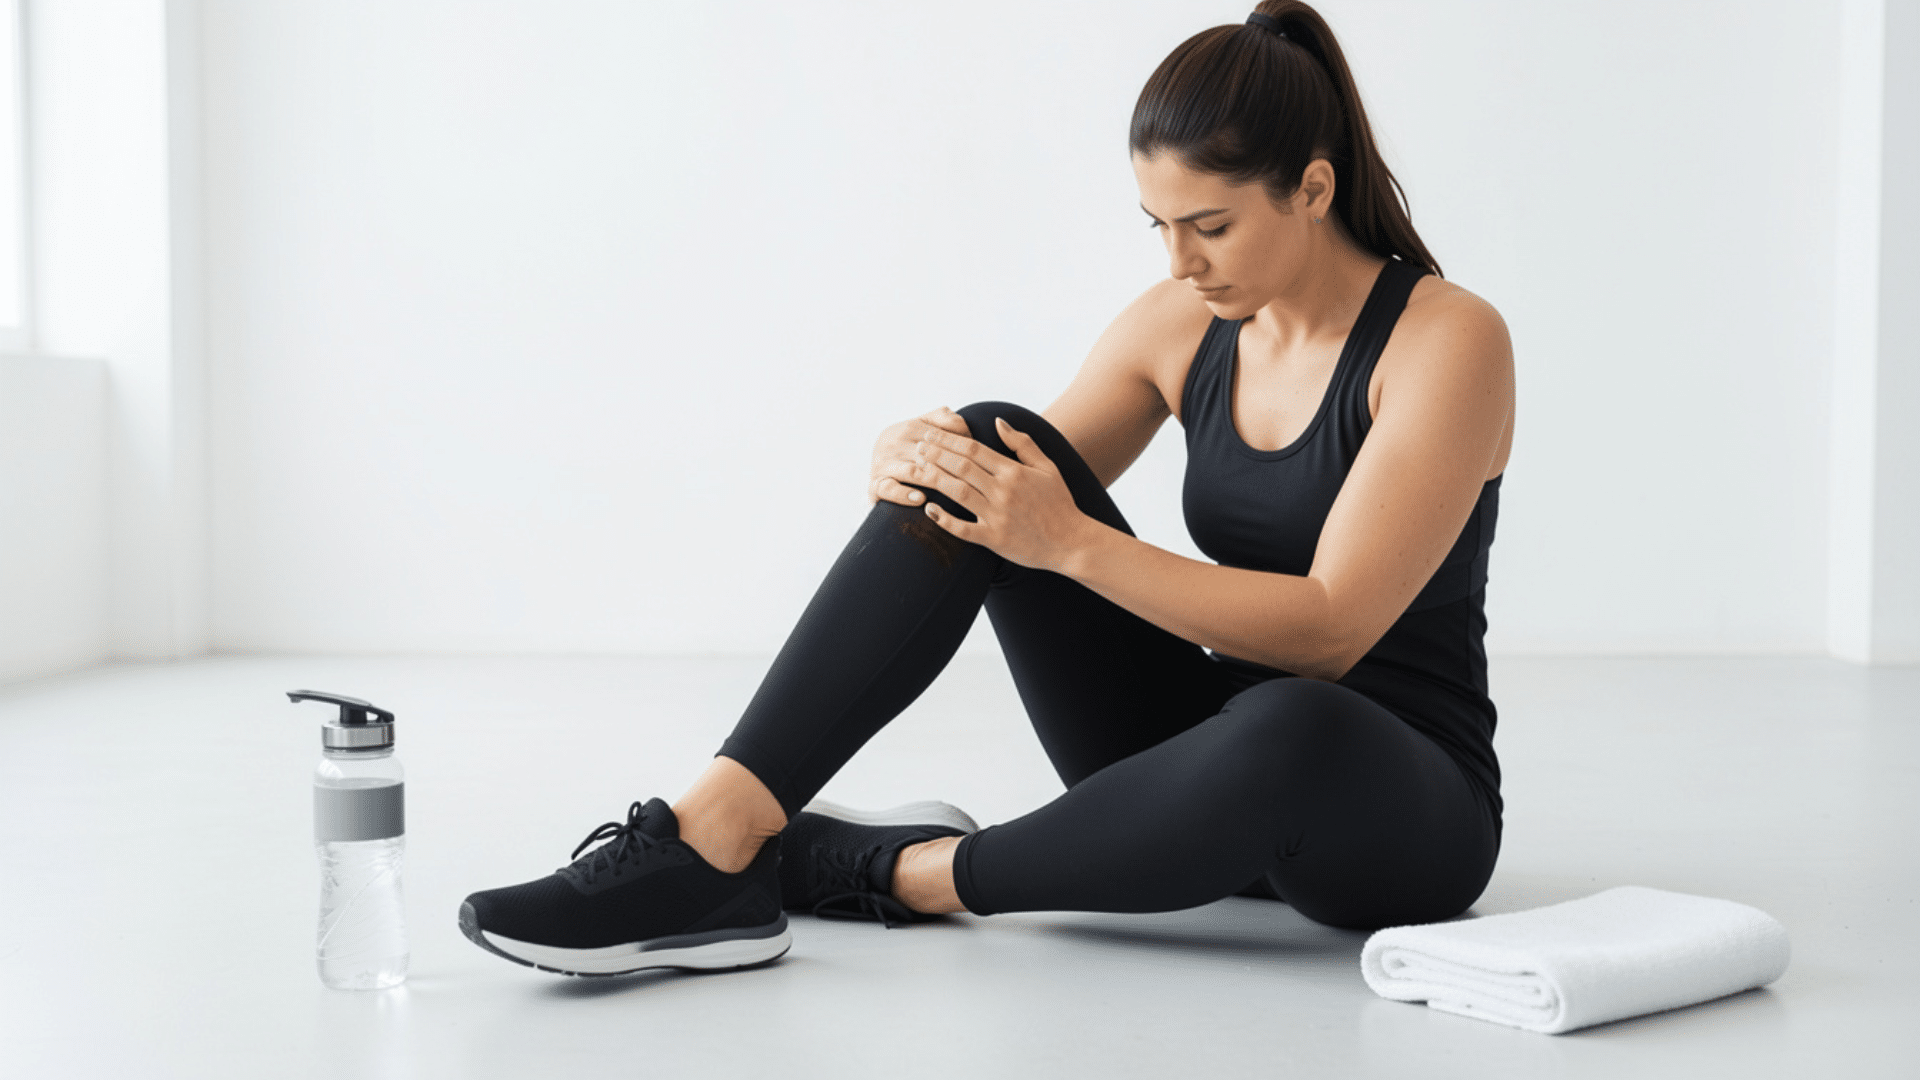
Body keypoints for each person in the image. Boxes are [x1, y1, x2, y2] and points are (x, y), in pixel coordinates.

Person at [458, 0, 1515, 978]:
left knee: (1294, 719)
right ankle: (713, 838)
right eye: (1157, 225)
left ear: (1314, 190)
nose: (1179, 262)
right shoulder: (1179, 324)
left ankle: (897, 871)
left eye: (1210, 226)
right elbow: (1007, 496)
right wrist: (920, 465)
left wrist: (1072, 543)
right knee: (980, 447)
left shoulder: (1445, 341)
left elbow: (1331, 631)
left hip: (1390, 813)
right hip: (1199, 764)